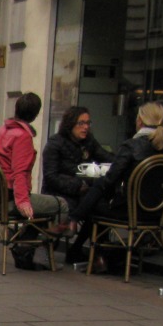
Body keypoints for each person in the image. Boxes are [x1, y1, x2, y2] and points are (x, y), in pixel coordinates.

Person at [68, 101, 163, 274]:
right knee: (98, 200)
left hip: (129, 210)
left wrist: (78, 212)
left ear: (140, 121)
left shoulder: (131, 146)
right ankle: (89, 251)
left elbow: (109, 180)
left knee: (94, 202)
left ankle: (96, 253)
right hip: (156, 212)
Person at [0, 92, 70, 270]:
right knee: (60, 204)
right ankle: (28, 244)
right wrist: (23, 202)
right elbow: (20, 172)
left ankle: (24, 242)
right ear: (36, 114)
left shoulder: (1, 131)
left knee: (44, 206)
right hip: (10, 200)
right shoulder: (22, 137)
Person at [41, 106, 113, 264]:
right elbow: (51, 177)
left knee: (101, 209)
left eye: (88, 123)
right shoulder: (55, 144)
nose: (86, 127)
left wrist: (119, 161)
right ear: (70, 124)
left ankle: (83, 248)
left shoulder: (89, 142)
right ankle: (88, 251)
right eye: (81, 123)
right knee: (96, 206)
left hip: (83, 194)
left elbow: (106, 157)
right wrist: (77, 185)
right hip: (60, 192)